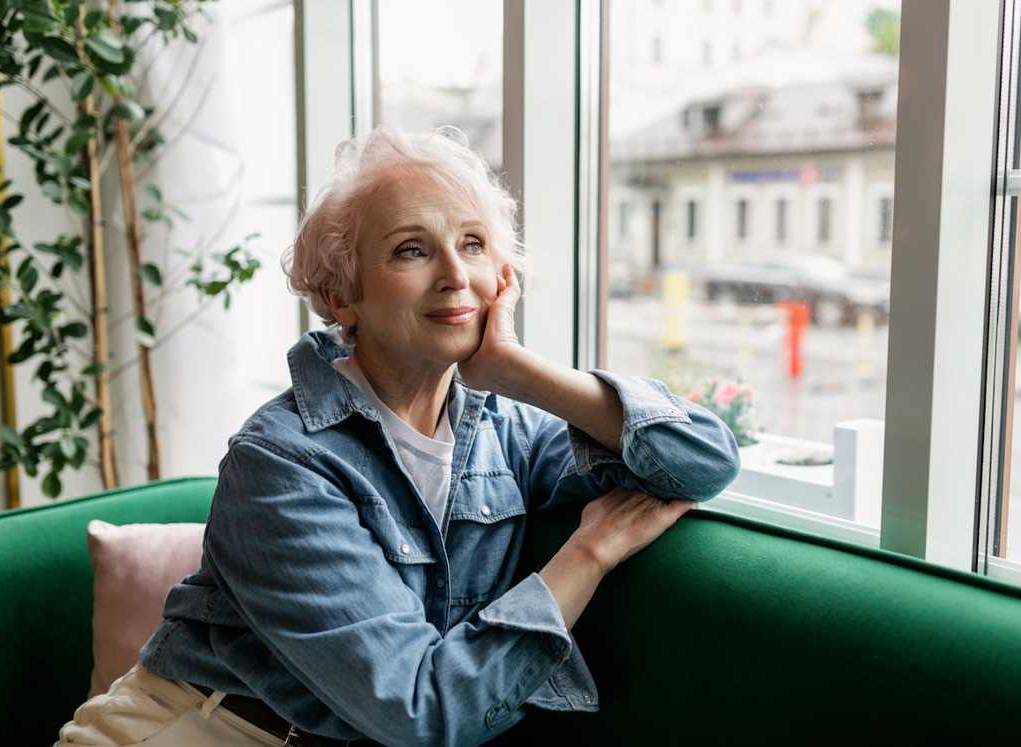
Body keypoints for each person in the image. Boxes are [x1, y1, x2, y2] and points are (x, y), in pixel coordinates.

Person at [55, 127, 740, 747]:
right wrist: (587, 553)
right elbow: (421, 709)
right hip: (196, 730)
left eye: (473, 244)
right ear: (341, 295)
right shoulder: (281, 461)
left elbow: (703, 459)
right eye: (412, 249)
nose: (455, 276)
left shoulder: (504, 429)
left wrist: (519, 371)